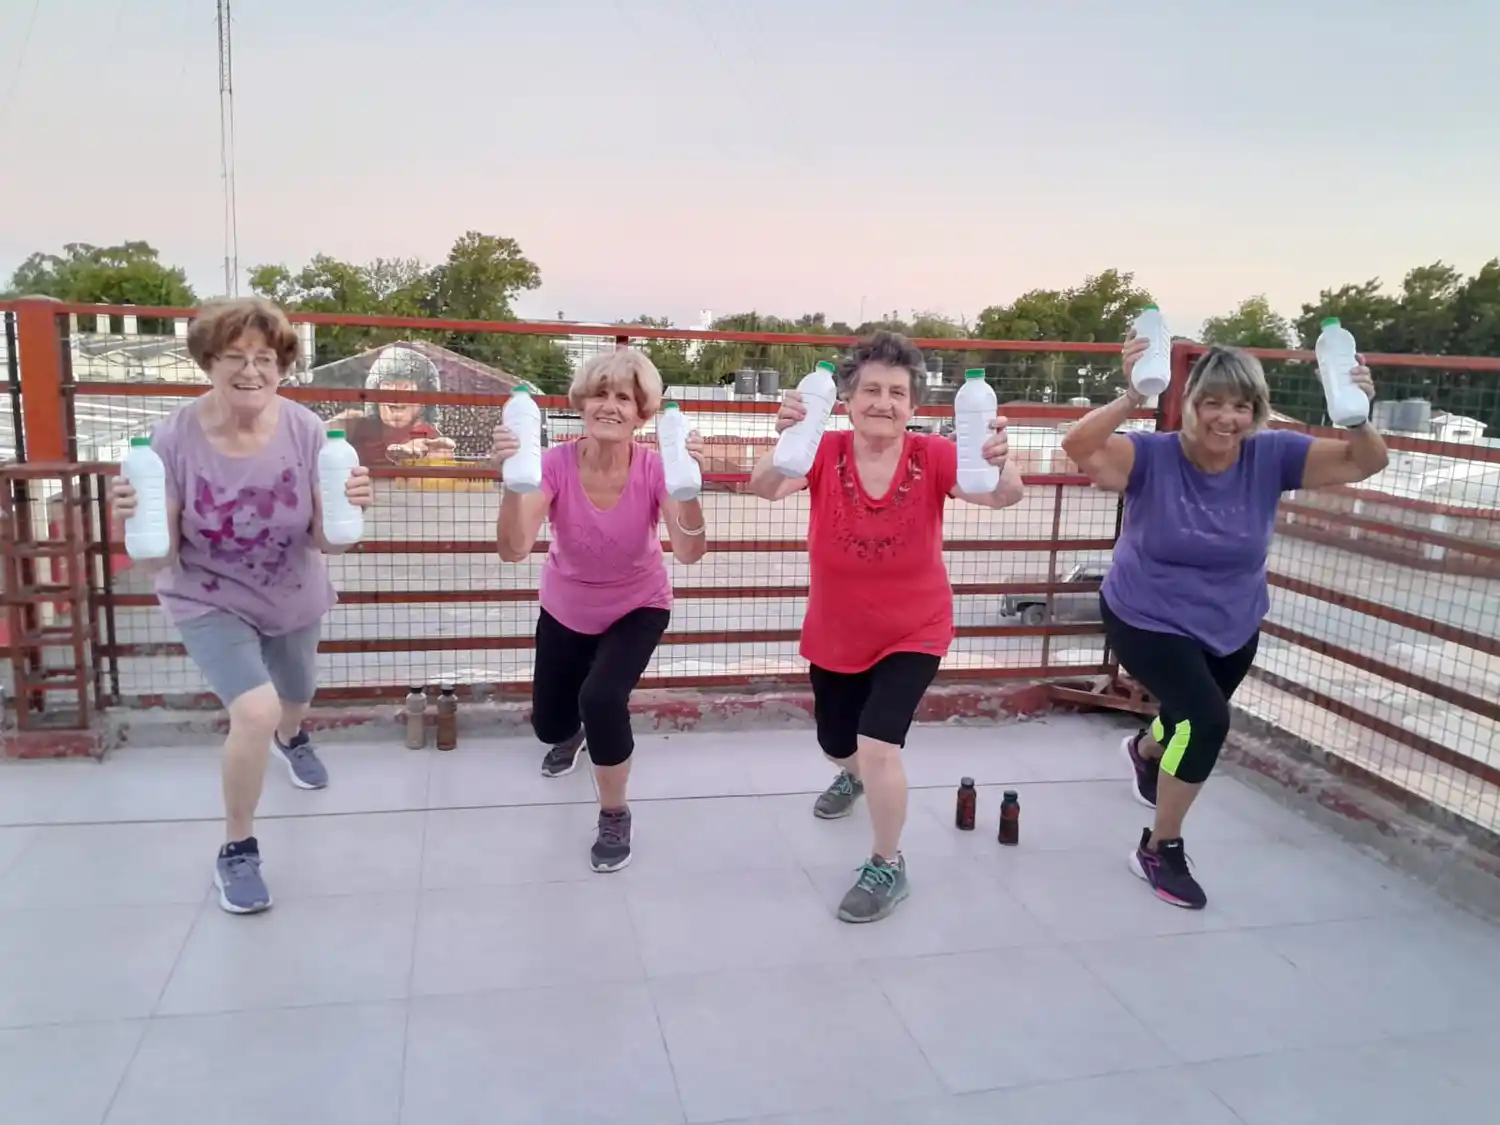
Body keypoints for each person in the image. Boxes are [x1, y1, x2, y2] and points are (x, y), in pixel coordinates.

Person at [1062, 336, 1388, 909]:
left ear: (1256, 410)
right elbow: (1079, 445)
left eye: (1241, 405)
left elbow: (1367, 462)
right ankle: (1159, 848)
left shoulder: (1272, 455)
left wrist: (1358, 414)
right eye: (1212, 402)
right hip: (1147, 614)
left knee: (1185, 716)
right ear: (1190, 404)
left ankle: (1146, 752)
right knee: (1206, 720)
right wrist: (1133, 394)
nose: (1226, 418)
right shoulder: (1153, 456)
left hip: (1233, 620)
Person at [108, 297, 374, 915]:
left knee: (295, 694)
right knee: (254, 710)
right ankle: (238, 848)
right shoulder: (171, 441)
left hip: (291, 589)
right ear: (208, 362)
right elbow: (157, 558)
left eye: (265, 359)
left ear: (282, 368)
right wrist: (131, 519)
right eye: (234, 357)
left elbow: (327, 540)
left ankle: (293, 736)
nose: (250, 371)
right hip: (208, 595)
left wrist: (352, 507)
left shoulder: (308, 433)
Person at [749, 331, 1024, 923]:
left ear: (913, 405)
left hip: (914, 629)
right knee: (838, 744)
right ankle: (851, 777)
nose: (883, 402)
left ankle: (886, 863)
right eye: (871, 390)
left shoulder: (933, 454)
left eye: (897, 393)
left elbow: (1004, 497)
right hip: (836, 630)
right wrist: (782, 437)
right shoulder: (823, 449)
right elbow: (764, 488)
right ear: (846, 399)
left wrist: (1003, 461)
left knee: (879, 745)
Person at [491, 347, 708, 872]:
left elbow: (689, 552)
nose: (609, 406)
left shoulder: (656, 468)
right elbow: (514, 549)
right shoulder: (553, 465)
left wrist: (689, 484)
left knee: (602, 697)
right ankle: (571, 734)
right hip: (567, 606)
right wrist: (510, 481)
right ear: (582, 404)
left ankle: (614, 814)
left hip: (638, 604)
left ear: (642, 414)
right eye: (600, 395)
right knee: (550, 725)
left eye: (624, 399)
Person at [327, 345, 456, 465]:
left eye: (405, 386)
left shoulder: (429, 439)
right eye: (387, 384)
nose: (395, 395)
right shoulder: (357, 424)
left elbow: (438, 452)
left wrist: (414, 456)